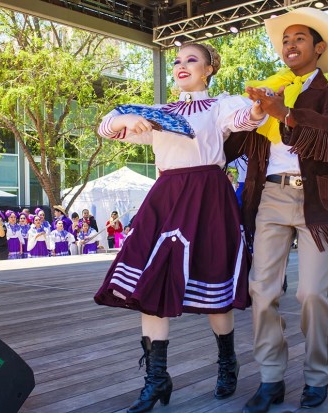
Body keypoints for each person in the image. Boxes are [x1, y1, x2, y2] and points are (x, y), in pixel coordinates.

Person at [94, 42, 265, 412]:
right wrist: (126, 121)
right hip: (166, 195)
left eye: (192, 60)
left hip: (207, 194)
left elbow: (245, 120)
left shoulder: (221, 105)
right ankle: (156, 380)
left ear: (209, 69)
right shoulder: (157, 112)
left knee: (213, 288)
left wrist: (257, 107)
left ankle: (226, 363)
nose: (181, 66)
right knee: (150, 281)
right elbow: (107, 126)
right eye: (176, 61)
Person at [223, 8, 328, 412]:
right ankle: (270, 378)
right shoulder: (266, 93)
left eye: (299, 38)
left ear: (318, 48)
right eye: (285, 40)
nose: (290, 45)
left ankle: (317, 375)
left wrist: (284, 113)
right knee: (261, 290)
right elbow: (230, 139)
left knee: (311, 293)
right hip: (270, 197)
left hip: (317, 201)